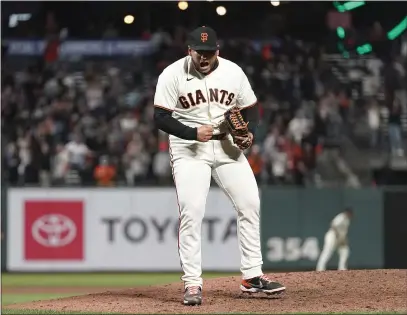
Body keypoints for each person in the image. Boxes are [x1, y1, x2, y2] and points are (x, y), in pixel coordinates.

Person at [153, 26, 286, 306]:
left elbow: (251, 110)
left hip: (226, 145)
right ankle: (192, 284)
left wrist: (250, 133)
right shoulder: (173, 74)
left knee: (250, 203)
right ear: (188, 50)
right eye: (198, 52)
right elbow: (160, 117)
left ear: (218, 51)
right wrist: (192, 133)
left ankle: (252, 277)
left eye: (209, 52)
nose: (204, 57)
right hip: (189, 148)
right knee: (192, 211)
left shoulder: (233, 72)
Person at [316, 207, 354, 271]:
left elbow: (343, 231)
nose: (351, 215)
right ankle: (320, 268)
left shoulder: (347, 220)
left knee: (345, 251)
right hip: (332, 235)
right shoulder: (341, 217)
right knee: (327, 251)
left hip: (340, 237)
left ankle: (342, 268)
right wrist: (337, 235)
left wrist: (343, 239)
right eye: (350, 213)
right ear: (347, 213)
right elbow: (333, 225)